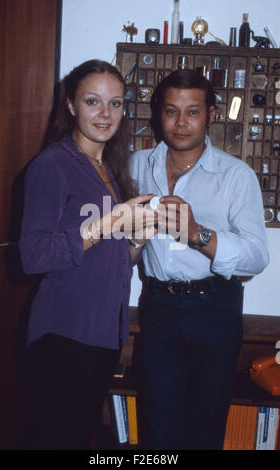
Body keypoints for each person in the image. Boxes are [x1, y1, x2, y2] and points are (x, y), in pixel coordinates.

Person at [19, 59, 157, 450]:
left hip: (103, 334)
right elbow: (34, 255)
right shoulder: (52, 164)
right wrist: (110, 222)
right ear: (70, 105)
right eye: (93, 101)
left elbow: (107, 260)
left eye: (115, 103)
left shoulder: (109, 168)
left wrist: (137, 241)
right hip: (63, 336)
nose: (105, 114)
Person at [129, 69, 269, 450]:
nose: (181, 122)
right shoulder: (135, 166)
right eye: (172, 111)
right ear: (159, 113)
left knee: (205, 426)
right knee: (158, 425)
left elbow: (257, 257)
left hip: (216, 307)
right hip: (157, 305)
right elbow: (116, 246)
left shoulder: (236, 176)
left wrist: (197, 234)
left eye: (192, 112)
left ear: (211, 114)